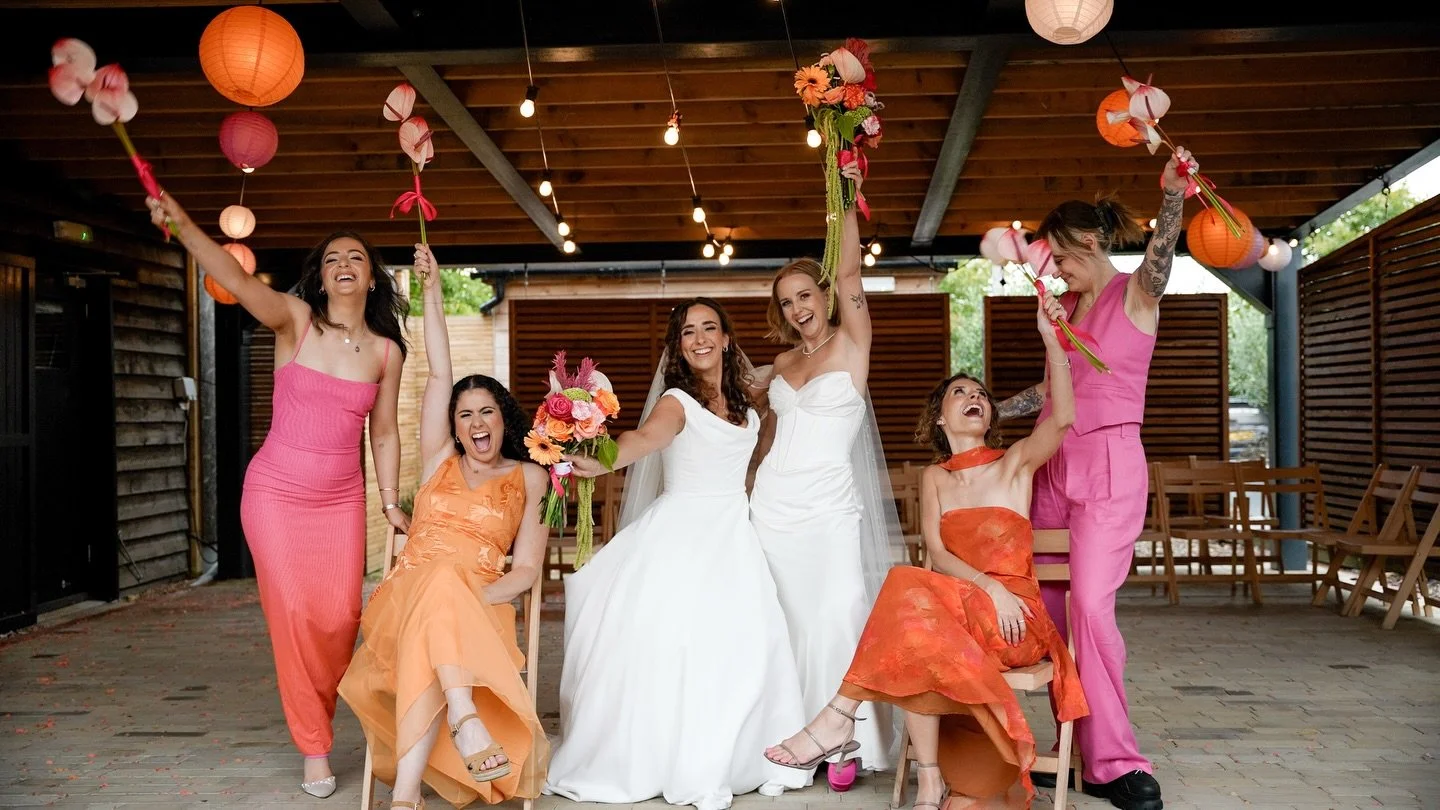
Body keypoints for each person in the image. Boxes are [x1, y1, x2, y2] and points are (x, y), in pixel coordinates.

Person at [766, 294, 1088, 809]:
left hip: (1014, 621)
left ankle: (838, 716)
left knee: (903, 589)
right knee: (914, 626)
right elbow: (937, 553)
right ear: (940, 418)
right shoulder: (934, 476)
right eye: (958, 393)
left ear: (989, 413)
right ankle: (930, 781)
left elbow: (1064, 415)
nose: (971, 395)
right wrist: (983, 586)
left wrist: (1051, 337)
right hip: (963, 611)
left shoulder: (1015, 464)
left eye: (979, 392)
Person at [146, 193, 407, 796]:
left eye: (357, 257)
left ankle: (320, 719)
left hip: (341, 500)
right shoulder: (295, 320)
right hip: (276, 493)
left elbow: (386, 432)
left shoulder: (386, 353)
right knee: (293, 615)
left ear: (371, 278)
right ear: (320, 275)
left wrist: (391, 502)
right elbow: (234, 276)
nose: (345, 263)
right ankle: (314, 746)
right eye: (333, 257)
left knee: (341, 619)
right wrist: (182, 225)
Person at [543, 298, 810, 810]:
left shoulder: (749, 400)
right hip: (682, 533)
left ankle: (751, 754)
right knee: (678, 644)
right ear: (679, 347)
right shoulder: (675, 401)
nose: (701, 338)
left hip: (734, 534)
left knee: (748, 640)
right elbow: (643, 438)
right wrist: (601, 458)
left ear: (728, 339)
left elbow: (791, 373)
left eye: (710, 328)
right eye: (689, 332)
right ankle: (674, 757)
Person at [994, 148, 1195, 810]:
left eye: (1064, 258)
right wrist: (997, 410)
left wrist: (1172, 199)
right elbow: (1057, 390)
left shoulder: (1132, 295)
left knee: (1089, 608)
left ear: (1086, 242)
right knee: (1045, 611)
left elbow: (1160, 261)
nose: (1059, 272)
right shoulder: (1071, 312)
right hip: (1053, 467)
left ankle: (1117, 762)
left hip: (1109, 466)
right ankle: (1070, 749)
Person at [338, 244, 550, 810]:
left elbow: (526, 570)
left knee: (441, 606)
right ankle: (464, 715)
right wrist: (430, 289)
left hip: (482, 603)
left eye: (486, 411)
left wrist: (468, 594)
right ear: (453, 427)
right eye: (464, 414)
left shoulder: (533, 477)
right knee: (432, 592)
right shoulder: (439, 461)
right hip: (405, 599)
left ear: (503, 418)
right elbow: (439, 371)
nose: (476, 422)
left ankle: (405, 798)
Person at [748, 161, 904, 785]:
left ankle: (845, 742)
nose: (796, 308)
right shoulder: (782, 361)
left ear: (823, 295)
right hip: (773, 506)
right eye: (786, 303)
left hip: (830, 505)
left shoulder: (854, 342)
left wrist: (846, 197)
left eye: (804, 296)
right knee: (785, 617)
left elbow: (848, 271)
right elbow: (722, 400)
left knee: (840, 608)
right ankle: (788, 728)